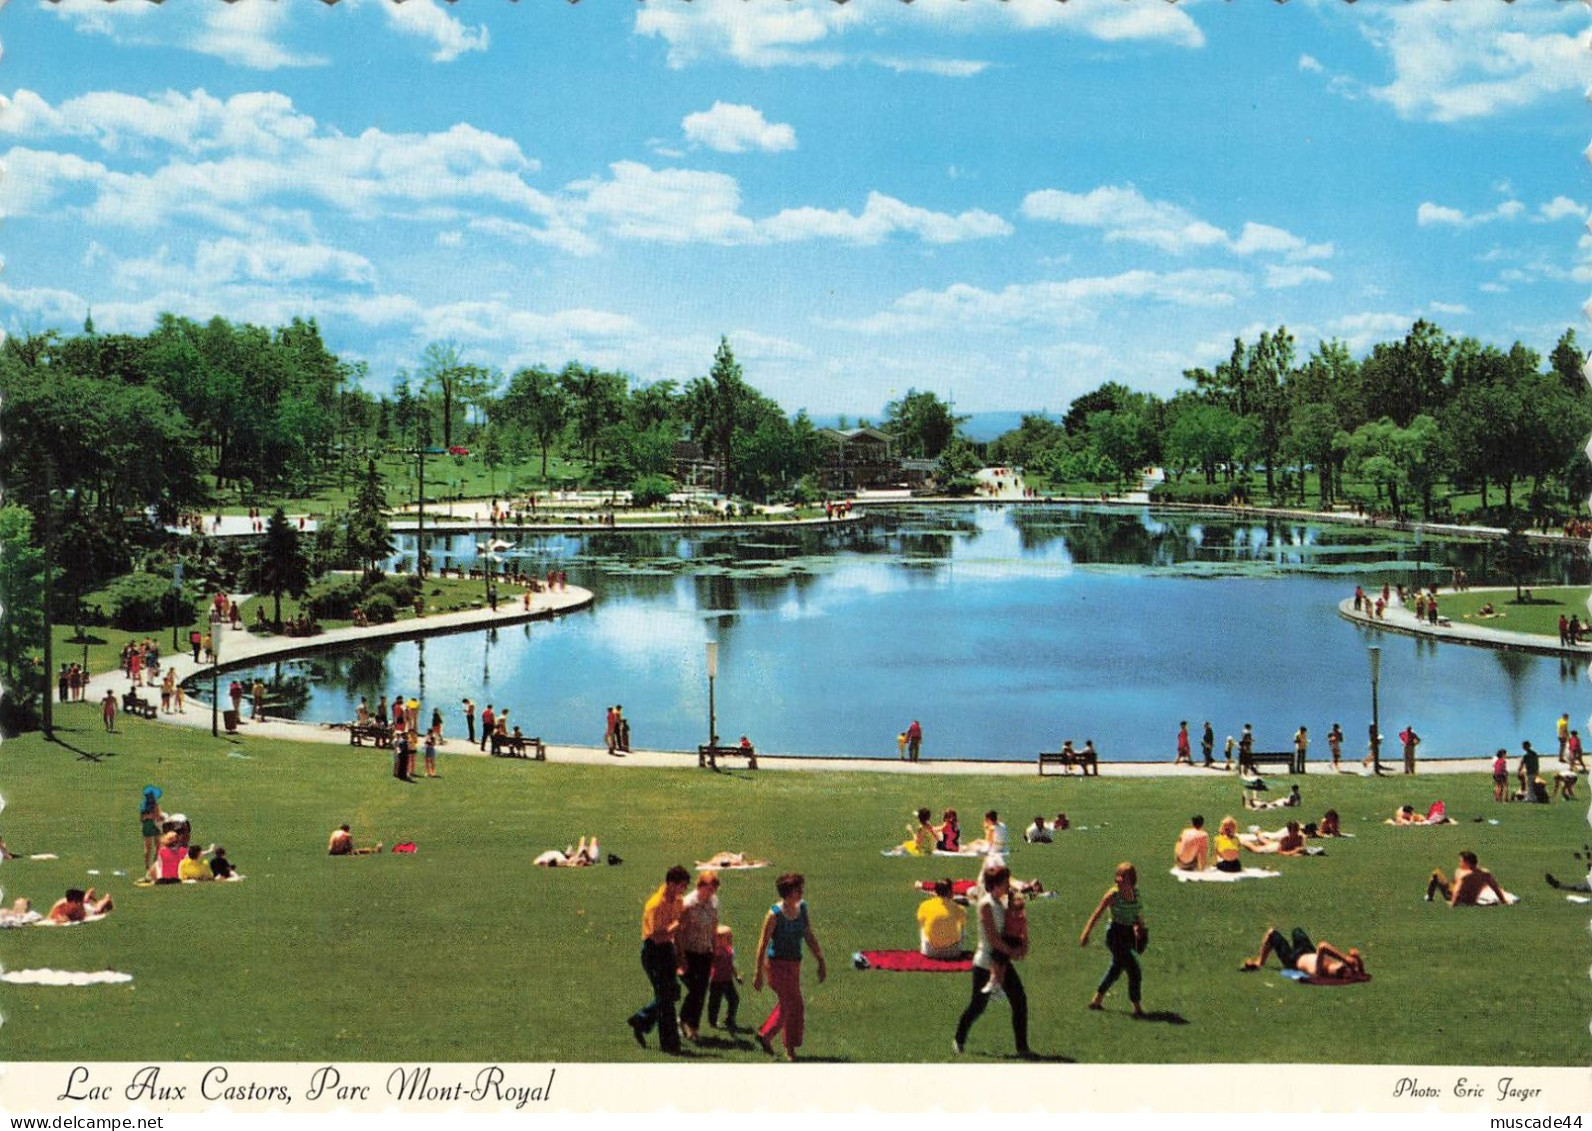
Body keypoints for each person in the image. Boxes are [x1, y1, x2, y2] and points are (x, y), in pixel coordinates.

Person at [952, 865, 1033, 1058]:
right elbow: (993, 938)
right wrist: (1013, 952)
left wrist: (1021, 943)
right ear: (995, 884)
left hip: (1001, 960)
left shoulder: (1001, 902)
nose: (1008, 884)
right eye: (1005, 881)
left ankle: (1022, 1048)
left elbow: (1010, 929)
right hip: (985, 962)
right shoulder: (986, 905)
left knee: (1019, 1000)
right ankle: (959, 1039)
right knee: (978, 1005)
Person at [753, 872, 827, 1061]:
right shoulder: (774, 915)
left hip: (794, 964)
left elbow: (808, 934)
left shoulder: (802, 909)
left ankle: (784, 1045)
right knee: (792, 1004)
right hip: (776, 965)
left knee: (792, 1005)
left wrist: (820, 960)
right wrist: (758, 973)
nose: (801, 892)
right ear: (787, 892)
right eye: (797, 890)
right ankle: (771, 1038)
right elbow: (762, 944)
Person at [628, 864, 691, 1054]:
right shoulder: (655, 904)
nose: (684, 890)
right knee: (666, 998)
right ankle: (670, 1045)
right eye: (682, 886)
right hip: (653, 951)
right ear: (671, 883)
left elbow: (676, 933)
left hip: (667, 949)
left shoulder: (678, 901)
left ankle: (641, 1020)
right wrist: (677, 925)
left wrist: (681, 955)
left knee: (669, 994)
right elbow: (656, 936)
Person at [1080, 862, 1145, 1018]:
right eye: (1117, 875)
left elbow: (1137, 915)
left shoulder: (1136, 894)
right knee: (1134, 971)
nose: (1117, 879)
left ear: (1131, 880)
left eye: (1122, 877)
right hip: (1115, 935)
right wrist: (1086, 933)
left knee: (1116, 968)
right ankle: (1137, 1008)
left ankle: (1096, 1001)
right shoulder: (1113, 895)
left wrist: (1139, 928)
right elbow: (1097, 914)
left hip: (1128, 934)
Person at [676, 871, 721, 1043]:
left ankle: (692, 1027)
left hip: (705, 951)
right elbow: (679, 931)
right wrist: (680, 956)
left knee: (701, 991)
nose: (711, 893)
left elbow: (714, 926)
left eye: (714, 890)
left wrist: (715, 949)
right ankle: (682, 1020)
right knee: (694, 989)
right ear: (699, 886)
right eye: (708, 889)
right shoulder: (688, 904)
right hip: (689, 952)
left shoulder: (714, 902)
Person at [1241, 927, 1367, 981]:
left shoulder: (1318, 972)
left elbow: (1323, 947)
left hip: (1294, 960)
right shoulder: (1340, 967)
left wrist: (1345, 959)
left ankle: (1259, 962)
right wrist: (1357, 960)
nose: (1341, 966)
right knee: (1297, 931)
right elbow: (1357, 968)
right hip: (1307, 951)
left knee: (1272, 933)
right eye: (1343, 967)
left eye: (1342, 968)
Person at [1426, 851, 1507, 907]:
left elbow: (1457, 892)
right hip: (1472, 900)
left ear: (1466, 863)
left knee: (1436, 873)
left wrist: (1453, 905)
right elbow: (1496, 888)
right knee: (1455, 877)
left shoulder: (1464, 875)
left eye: (1461, 861)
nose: (1459, 863)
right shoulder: (1485, 874)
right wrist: (1503, 901)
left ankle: (1429, 897)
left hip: (1457, 899)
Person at [916, 878, 968, 960]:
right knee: (962, 926)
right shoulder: (959, 908)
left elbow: (921, 921)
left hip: (929, 952)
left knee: (923, 926)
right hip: (953, 952)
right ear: (950, 892)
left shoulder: (925, 905)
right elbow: (963, 925)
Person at [708, 925, 743, 1031]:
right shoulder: (715, 951)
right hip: (716, 981)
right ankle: (712, 1021)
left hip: (727, 980)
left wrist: (737, 976)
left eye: (729, 937)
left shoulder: (729, 951)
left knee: (734, 999)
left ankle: (729, 1019)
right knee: (715, 1001)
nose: (729, 940)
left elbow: (731, 965)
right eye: (725, 937)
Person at [47, 888, 114, 923]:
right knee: (86, 904)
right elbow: (50, 917)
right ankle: (88, 896)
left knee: (97, 910)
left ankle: (106, 899)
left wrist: (69, 919)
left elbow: (83, 917)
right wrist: (59, 918)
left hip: (85, 909)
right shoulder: (60, 904)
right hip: (82, 906)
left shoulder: (78, 905)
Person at [140, 785, 165, 870]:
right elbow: (158, 816)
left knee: (149, 847)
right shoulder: (155, 805)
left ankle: (148, 865)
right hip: (155, 826)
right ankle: (154, 863)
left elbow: (142, 819)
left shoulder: (143, 805)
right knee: (157, 846)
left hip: (147, 827)